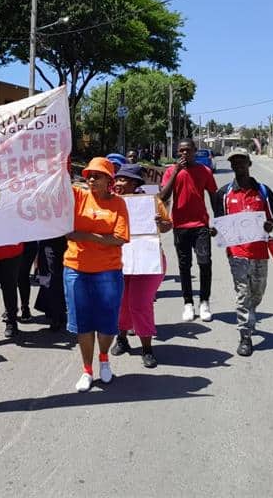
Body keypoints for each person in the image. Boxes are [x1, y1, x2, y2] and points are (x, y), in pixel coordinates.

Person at [65, 157, 130, 391]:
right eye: (89, 175)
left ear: (109, 180)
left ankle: (103, 359)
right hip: (75, 270)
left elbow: (120, 238)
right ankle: (87, 370)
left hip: (108, 272)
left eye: (97, 175)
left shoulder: (118, 204)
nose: (91, 179)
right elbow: (58, 182)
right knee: (82, 322)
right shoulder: (77, 195)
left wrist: (85, 236)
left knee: (107, 322)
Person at [211, 147, 273, 357]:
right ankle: (245, 336)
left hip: (260, 251)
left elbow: (271, 220)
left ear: (249, 164)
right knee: (243, 293)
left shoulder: (264, 191)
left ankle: (251, 313)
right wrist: (215, 231)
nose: (238, 165)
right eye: (234, 162)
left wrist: (269, 226)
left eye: (242, 161)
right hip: (237, 253)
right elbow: (220, 224)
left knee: (257, 292)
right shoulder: (223, 194)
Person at [110, 164, 172, 368]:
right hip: (120, 260)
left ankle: (147, 348)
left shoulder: (150, 202)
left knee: (139, 303)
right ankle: (122, 338)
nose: (118, 183)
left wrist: (159, 223)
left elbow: (167, 225)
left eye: (123, 180)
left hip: (147, 260)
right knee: (121, 302)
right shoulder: (110, 202)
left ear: (135, 183)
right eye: (117, 179)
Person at [160, 138, 218, 323]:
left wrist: (219, 222)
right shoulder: (171, 171)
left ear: (194, 151)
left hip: (201, 225)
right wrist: (176, 171)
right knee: (184, 266)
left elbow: (214, 196)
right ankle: (188, 303)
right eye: (181, 151)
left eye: (188, 150)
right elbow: (163, 196)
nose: (184, 153)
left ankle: (204, 302)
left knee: (205, 263)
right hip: (180, 226)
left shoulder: (204, 171)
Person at [16, 241, 38, 322]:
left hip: (28, 245)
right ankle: (11, 308)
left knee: (22, 276)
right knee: (11, 278)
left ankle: (24, 307)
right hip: (11, 244)